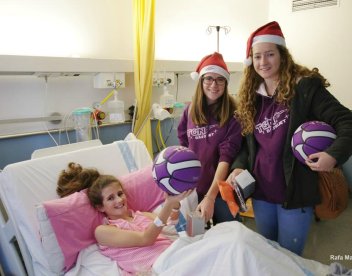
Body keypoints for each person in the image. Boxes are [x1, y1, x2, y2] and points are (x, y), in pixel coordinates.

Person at [228, 21, 352, 256]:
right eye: (257, 56)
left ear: (282, 55)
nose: (263, 62)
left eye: (270, 54)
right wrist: (239, 167)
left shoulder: (304, 88)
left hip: (295, 193)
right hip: (261, 194)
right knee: (267, 253)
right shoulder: (251, 96)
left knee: (289, 259)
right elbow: (248, 146)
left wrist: (332, 155)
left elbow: (348, 123)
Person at [57, 162, 192, 275]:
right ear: (100, 207)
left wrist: (175, 203)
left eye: (120, 193)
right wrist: (168, 205)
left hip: (175, 254)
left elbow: (170, 223)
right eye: (110, 198)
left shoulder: (142, 215)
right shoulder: (103, 231)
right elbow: (146, 239)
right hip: (159, 267)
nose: (119, 200)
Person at [177, 52, 243, 225]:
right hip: (194, 188)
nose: (214, 85)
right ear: (201, 81)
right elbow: (184, 146)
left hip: (222, 190)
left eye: (220, 79)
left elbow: (226, 158)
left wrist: (210, 197)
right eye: (209, 79)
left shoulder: (233, 115)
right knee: (198, 237)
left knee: (228, 233)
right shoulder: (190, 111)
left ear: (226, 83)